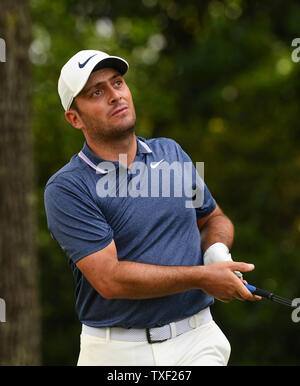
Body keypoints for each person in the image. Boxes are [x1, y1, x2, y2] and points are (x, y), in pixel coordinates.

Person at [44, 49, 260, 366]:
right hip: (114, 352)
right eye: (97, 92)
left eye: (117, 83)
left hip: (197, 339)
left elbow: (213, 218)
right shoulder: (68, 187)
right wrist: (203, 277)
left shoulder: (170, 152)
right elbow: (109, 279)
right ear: (74, 118)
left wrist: (216, 250)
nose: (114, 96)